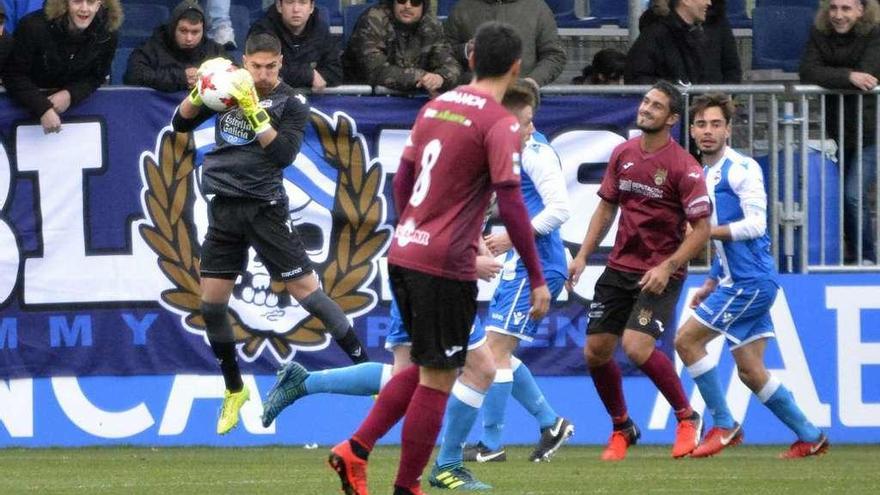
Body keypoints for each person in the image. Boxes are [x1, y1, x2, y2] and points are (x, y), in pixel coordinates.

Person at [326, 22, 550, 495]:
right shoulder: (499, 122)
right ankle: (406, 486)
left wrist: (417, 225)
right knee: (439, 378)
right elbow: (511, 203)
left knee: (423, 369)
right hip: (443, 265)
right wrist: (536, 277)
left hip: (404, 252)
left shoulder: (436, 107)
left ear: (469, 58)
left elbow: (401, 182)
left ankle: (357, 450)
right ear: (515, 67)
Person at [170, 32, 370, 435]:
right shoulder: (229, 89)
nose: (262, 74)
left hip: (265, 208)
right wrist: (201, 91)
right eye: (255, 66)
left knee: (308, 294)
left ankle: (368, 370)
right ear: (244, 61)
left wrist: (254, 110)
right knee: (211, 306)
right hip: (223, 206)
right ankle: (234, 389)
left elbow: (282, 155)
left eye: (270, 67)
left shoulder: (291, 103)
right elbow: (179, 123)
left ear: (280, 65)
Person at [674, 92, 830, 459]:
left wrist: (704, 233)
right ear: (692, 131)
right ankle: (810, 435)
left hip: (751, 283)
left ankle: (725, 425)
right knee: (750, 370)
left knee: (687, 341)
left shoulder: (741, 169)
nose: (708, 131)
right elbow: (724, 238)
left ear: (728, 130)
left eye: (715, 124)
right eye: (701, 124)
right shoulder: (705, 173)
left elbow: (757, 225)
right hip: (736, 280)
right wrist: (712, 279)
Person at [435, 81, 575, 486]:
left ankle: (491, 442)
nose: (529, 129)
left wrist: (514, 236)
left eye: (531, 122)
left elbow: (561, 209)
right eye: (524, 122)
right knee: (499, 352)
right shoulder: (506, 148)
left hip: (539, 263)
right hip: (520, 263)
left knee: (492, 354)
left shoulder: (535, 152)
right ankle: (550, 424)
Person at [567, 81, 712, 461]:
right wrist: (582, 255)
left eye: (656, 105)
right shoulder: (623, 153)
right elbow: (606, 207)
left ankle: (686, 416)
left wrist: (669, 266)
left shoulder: (684, 167)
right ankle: (622, 427)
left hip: (660, 271)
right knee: (596, 352)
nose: (646, 108)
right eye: (646, 101)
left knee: (636, 346)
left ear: (672, 118)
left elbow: (702, 230)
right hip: (619, 266)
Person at [800, 0, 880, 265]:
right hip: (839, 132)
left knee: (853, 194)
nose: (838, 15)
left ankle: (866, 256)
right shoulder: (819, 32)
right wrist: (848, 76)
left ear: (861, 10)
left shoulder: (875, 33)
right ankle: (852, 252)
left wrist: (837, 74)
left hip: (872, 132)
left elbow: (868, 75)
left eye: (846, 8)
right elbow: (807, 71)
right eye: (833, 8)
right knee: (843, 196)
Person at [2, 0, 122, 134]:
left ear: (100, 4)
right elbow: (13, 75)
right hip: (24, 111)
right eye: (77, 1)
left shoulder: (108, 33)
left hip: (75, 117)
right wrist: (42, 107)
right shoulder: (33, 26)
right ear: (64, 2)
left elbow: (97, 76)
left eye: (91, 2)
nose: (84, 8)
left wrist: (71, 94)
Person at [342, 0, 459, 96]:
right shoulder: (373, 19)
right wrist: (421, 77)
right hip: (365, 99)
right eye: (401, 0)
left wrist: (440, 78)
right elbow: (375, 70)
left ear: (423, 6)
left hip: (413, 99)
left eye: (415, 2)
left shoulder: (432, 24)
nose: (407, 6)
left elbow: (450, 64)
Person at [444, 0, 567, 87]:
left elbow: (554, 55)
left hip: (520, 101)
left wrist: (533, 81)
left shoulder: (538, 8)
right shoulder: (462, 8)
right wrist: (465, 50)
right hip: (474, 99)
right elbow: (443, 53)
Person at [626, 0, 741, 84]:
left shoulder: (716, 26)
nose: (709, 2)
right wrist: (673, 92)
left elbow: (732, 69)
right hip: (676, 112)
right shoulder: (654, 34)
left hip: (704, 110)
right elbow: (637, 76)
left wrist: (723, 98)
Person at [123, 1, 226, 92]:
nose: (189, 38)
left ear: (203, 30)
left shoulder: (214, 50)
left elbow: (234, 74)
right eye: (183, 31)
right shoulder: (152, 48)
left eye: (195, 32)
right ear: (172, 28)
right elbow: (133, 76)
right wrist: (181, 78)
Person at [249, 0, 342, 92]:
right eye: (289, 2)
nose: (296, 9)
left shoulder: (320, 30)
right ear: (279, 6)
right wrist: (309, 74)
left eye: (302, 2)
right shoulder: (262, 30)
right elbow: (264, 71)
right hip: (272, 99)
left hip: (314, 100)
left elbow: (335, 73)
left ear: (311, 7)